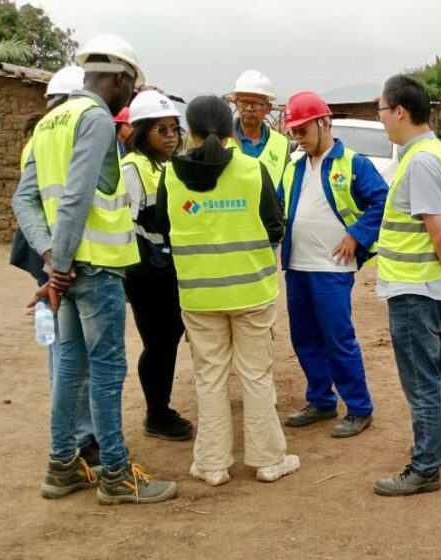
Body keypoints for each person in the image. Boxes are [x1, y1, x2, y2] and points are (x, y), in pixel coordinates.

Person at [12, 33, 178, 505]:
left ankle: (62, 466)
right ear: (122, 78)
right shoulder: (96, 120)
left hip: (65, 268)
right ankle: (117, 477)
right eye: (131, 87)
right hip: (97, 268)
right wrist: (59, 265)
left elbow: (23, 201)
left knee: (69, 367)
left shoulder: (48, 124)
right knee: (106, 371)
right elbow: (77, 197)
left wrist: (49, 260)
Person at [157, 95, 299, 486]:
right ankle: (269, 460)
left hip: (199, 295)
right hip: (251, 291)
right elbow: (275, 225)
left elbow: (165, 227)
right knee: (256, 375)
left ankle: (211, 463)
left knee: (210, 377)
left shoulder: (169, 175)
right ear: (230, 126)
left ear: (190, 131)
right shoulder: (253, 171)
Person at [373, 74, 441, 496]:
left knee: (423, 382)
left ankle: (425, 467)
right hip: (430, 288)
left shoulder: (421, 161)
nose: (380, 119)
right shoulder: (436, 154)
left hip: (416, 290)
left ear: (400, 111)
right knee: (439, 371)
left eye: (381, 110)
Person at [280, 91, 388, 438]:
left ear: (324, 122)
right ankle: (321, 400)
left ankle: (359, 408)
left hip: (333, 268)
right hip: (297, 266)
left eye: (303, 129)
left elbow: (381, 200)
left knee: (338, 338)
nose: (298, 137)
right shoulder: (294, 167)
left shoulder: (353, 163)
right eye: (293, 132)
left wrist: (357, 235)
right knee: (304, 337)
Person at [10, 66, 99, 465]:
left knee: (61, 347)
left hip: (49, 255)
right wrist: (56, 259)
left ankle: (75, 431)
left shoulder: (43, 136)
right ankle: (78, 438)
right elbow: (52, 201)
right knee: (66, 352)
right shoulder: (55, 137)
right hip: (57, 257)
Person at [121, 90, 192, 441]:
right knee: (158, 342)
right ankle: (156, 413)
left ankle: (160, 408)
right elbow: (131, 222)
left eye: (173, 128)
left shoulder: (169, 167)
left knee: (170, 337)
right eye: (160, 129)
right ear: (142, 131)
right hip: (145, 272)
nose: (169, 135)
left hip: (168, 268)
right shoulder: (132, 167)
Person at [227, 70, 289, 188]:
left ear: (268, 108)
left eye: (256, 103)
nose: (249, 108)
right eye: (244, 102)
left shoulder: (281, 144)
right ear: (235, 103)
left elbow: (287, 186)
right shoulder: (221, 139)